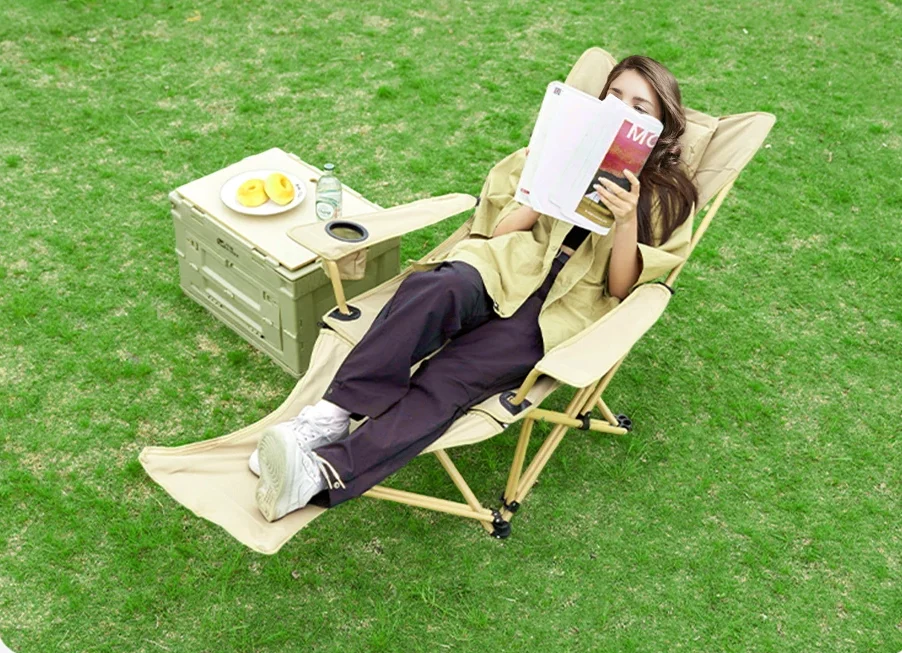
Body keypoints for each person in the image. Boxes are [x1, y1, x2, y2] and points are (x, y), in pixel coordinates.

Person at [252, 55, 699, 522]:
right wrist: (546, 187)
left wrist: (625, 219)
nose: (624, 109)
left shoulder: (667, 196)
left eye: (640, 107)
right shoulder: (556, 146)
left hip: (564, 305)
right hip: (513, 260)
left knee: (450, 380)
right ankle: (328, 417)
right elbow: (497, 230)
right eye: (615, 96)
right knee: (435, 290)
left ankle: (317, 475)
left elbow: (622, 286)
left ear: (661, 125)